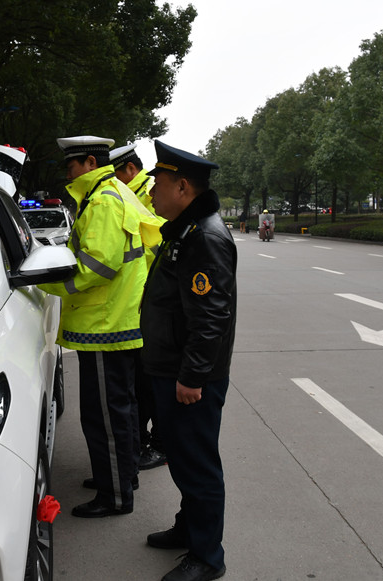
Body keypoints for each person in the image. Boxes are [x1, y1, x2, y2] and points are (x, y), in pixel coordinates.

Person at [140, 140, 237, 581]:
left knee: (197, 463)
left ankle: (206, 557)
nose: (151, 193)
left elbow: (212, 316)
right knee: (182, 458)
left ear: (182, 186)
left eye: (157, 184)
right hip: (172, 368)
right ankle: (188, 529)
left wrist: (193, 376)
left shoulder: (204, 238)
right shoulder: (184, 231)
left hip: (189, 376)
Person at [38, 135, 148, 518]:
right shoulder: (110, 192)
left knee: (105, 415)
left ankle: (114, 495)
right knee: (121, 409)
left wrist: (47, 283)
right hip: (116, 320)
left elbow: (98, 266)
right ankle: (122, 476)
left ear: (87, 162)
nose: (67, 172)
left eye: (70, 165)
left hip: (105, 323)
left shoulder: (102, 201)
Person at [109, 143, 167, 472]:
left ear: (130, 170)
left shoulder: (146, 193)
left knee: (152, 378)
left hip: (153, 299)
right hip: (143, 300)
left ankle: (159, 443)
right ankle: (146, 440)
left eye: (115, 173)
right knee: (143, 379)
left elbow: (154, 248)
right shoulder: (134, 193)